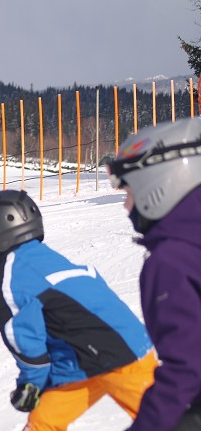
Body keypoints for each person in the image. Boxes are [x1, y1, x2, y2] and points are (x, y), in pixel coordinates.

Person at [0, 189, 157, 431]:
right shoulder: (48, 259)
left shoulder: (11, 280)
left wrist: (30, 386)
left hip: (120, 358)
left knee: (164, 421)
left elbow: (28, 345)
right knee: (43, 422)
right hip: (88, 360)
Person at [106, 118, 201, 431]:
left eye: (128, 191)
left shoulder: (171, 261)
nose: (125, 206)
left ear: (157, 184)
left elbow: (186, 370)